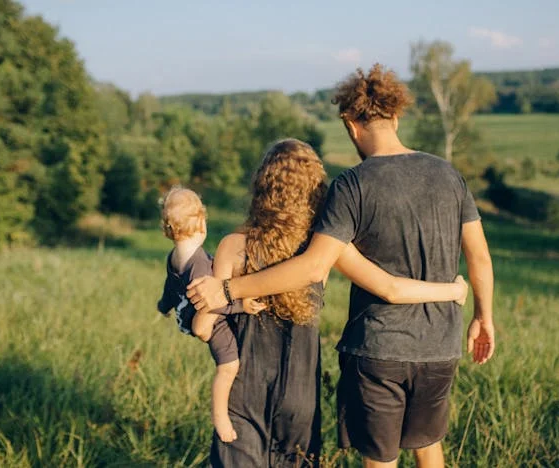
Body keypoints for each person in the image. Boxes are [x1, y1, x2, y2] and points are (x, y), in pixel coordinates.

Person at [187, 65, 495, 468]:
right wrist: (482, 315)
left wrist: (227, 291)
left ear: (351, 124)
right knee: (428, 445)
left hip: (380, 347)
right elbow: (480, 256)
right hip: (441, 344)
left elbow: (314, 267)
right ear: (395, 117)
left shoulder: (353, 184)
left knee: (380, 458)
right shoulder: (448, 174)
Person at [206, 139, 469, 467]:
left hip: (241, 391)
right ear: (316, 190)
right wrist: (453, 291)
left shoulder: (232, 246)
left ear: (262, 186)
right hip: (299, 395)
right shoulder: (324, 249)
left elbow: (206, 327)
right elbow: (391, 288)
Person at [156, 187, 263, 443]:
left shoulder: (174, 257)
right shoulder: (200, 264)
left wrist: (163, 306)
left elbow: (170, 288)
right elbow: (213, 303)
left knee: (229, 365)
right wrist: (241, 306)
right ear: (202, 223)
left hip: (187, 314)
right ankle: (220, 417)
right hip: (211, 324)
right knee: (228, 367)